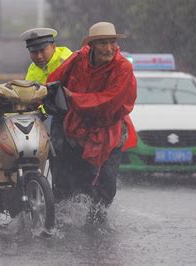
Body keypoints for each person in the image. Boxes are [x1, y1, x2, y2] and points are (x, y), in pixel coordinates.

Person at [46, 22, 137, 222]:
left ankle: (97, 220)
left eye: (112, 42)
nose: (109, 48)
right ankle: (64, 220)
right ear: (92, 45)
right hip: (76, 130)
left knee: (107, 184)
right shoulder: (78, 59)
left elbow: (110, 101)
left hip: (109, 132)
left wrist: (73, 97)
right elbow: (54, 81)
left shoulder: (123, 67)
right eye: (103, 43)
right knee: (69, 182)